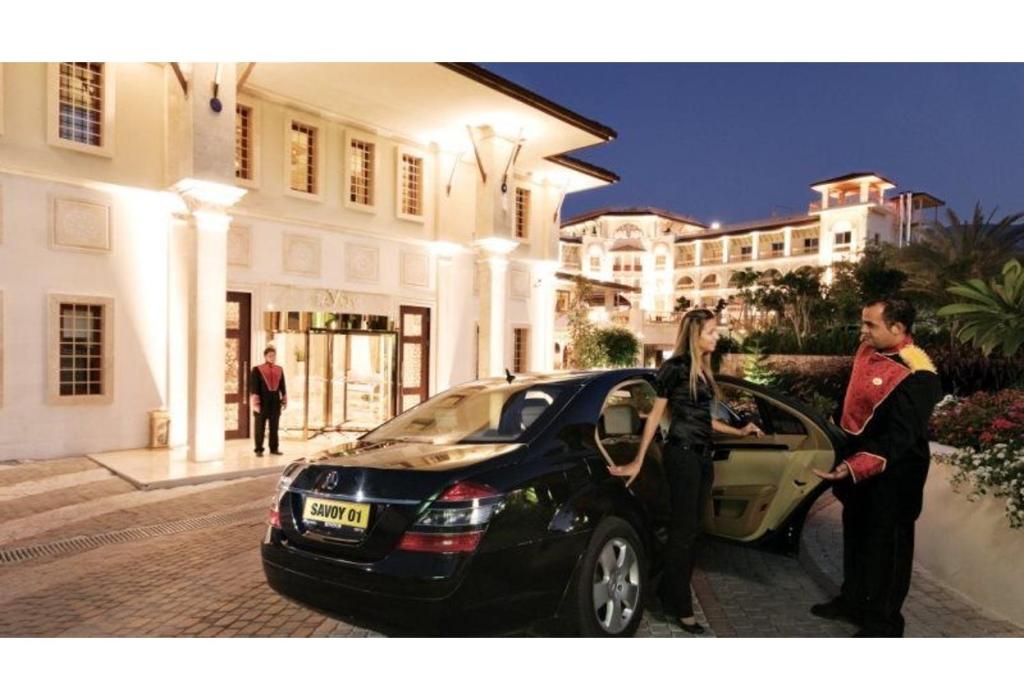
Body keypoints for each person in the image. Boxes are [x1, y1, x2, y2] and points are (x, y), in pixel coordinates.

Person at [608, 308, 763, 634]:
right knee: (683, 533)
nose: (716, 336)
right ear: (694, 334)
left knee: (692, 532)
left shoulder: (703, 370)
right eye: (711, 331)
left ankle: (666, 590)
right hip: (681, 456)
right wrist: (638, 459)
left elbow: (704, 420)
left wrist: (740, 431)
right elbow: (654, 416)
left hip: (703, 458)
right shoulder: (674, 368)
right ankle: (679, 606)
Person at [811, 298, 943, 637]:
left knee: (888, 551)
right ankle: (852, 601)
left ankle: (884, 624)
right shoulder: (868, 351)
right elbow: (853, 399)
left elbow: (899, 438)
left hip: (895, 475)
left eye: (871, 325)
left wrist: (853, 467)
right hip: (859, 470)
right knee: (855, 537)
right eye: (863, 322)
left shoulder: (920, 375)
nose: (863, 331)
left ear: (898, 329)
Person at [250, 346, 288, 456]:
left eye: (274, 355)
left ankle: (274, 448)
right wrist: (256, 403)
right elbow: (254, 387)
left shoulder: (279, 369)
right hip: (262, 401)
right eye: (270, 355)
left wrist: (284, 400)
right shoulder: (257, 369)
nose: (272, 357)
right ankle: (258, 449)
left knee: (274, 427)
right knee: (259, 427)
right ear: (265, 356)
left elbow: (283, 386)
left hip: (275, 402)